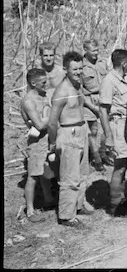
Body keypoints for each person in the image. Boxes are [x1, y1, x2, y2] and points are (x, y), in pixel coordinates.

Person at [48, 51, 100, 228]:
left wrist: (96, 110)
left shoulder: (77, 85)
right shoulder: (61, 92)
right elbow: (52, 122)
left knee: (83, 172)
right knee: (69, 177)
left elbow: (82, 101)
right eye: (74, 69)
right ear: (65, 69)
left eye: (80, 68)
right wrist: (52, 144)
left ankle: (78, 205)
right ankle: (66, 216)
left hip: (81, 129)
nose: (78, 72)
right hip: (68, 134)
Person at [99, 49, 127, 217]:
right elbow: (103, 111)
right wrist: (108, 136)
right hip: (117, 125)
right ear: (124, 63)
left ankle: (121, 198)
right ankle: (115, 205)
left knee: (125, 162)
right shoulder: (109, 81)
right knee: (119, 166)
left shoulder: (126, 79)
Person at [20, 68, 56, 223]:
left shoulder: (43, 95)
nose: (46, 84)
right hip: (37, 143)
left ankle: (48, 199)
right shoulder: (28, 101)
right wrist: (54, 114)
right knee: (33, 175)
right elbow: (40, 125)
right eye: (43, 82)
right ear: (33, 83)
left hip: (48, 139)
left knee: (45, 171)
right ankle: (30, 210)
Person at [81, 39, 110, 171]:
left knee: (106, 128)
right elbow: (79, 90)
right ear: (85, 51)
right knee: (93, 131)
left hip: (105, 97)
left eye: (97, 50)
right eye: (93, 51)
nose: (96, 53)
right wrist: (92, 107)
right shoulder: (81, 66)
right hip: (89, 101)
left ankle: (105, 154)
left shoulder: (103, 62)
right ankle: (96, 158)